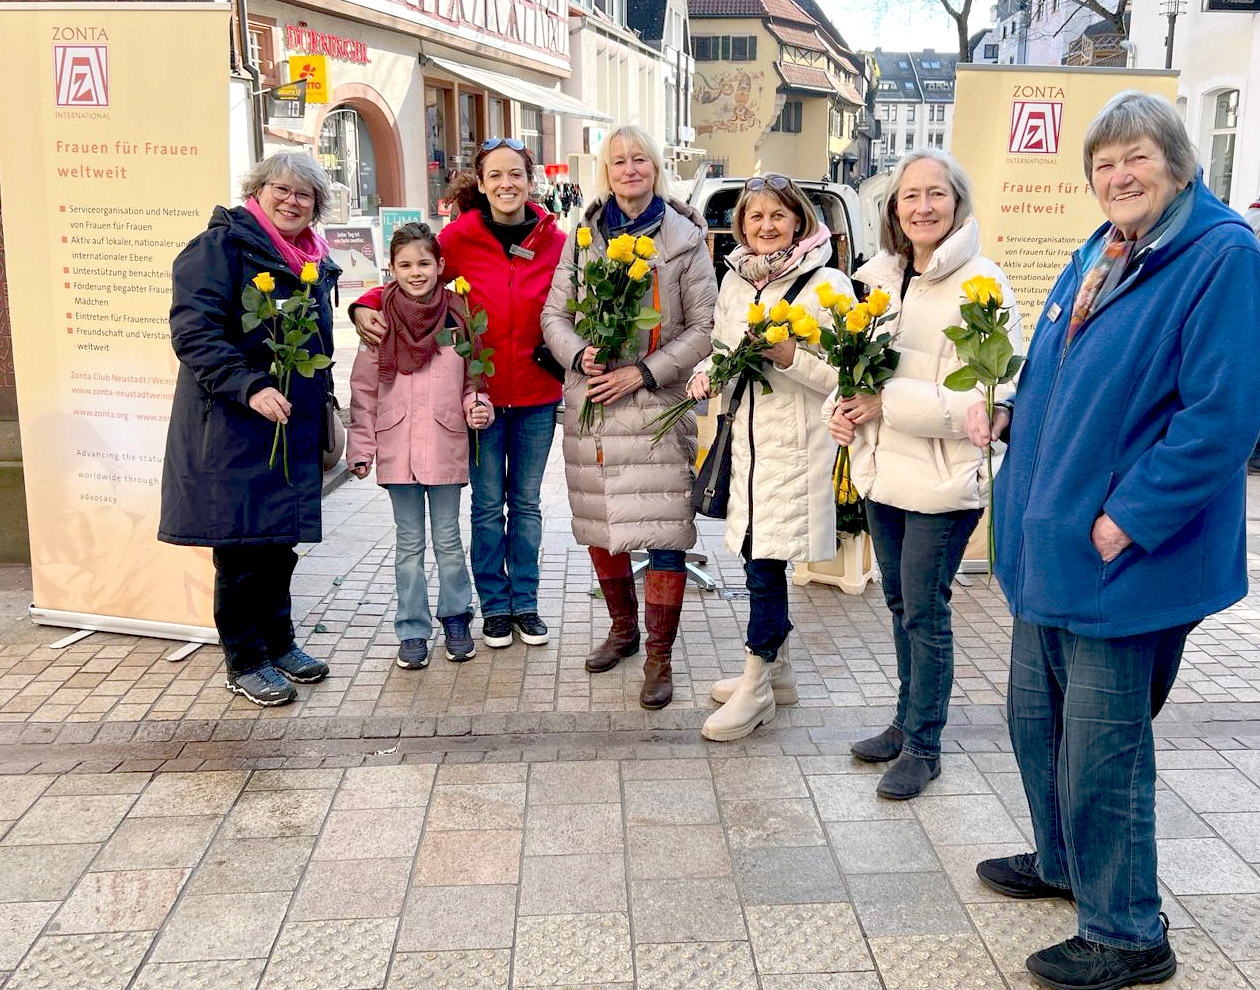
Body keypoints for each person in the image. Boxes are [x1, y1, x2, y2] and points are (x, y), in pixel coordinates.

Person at [966, 91, 1260, 990]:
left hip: (1122, 557)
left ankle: (1129, 931)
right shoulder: (1103, 249)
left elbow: (1221, 420)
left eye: (1134, 158)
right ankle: (1062, 863)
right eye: (1103, 165)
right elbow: (1060, 371)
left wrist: (1122, 521)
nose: (1117, 177)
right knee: (1033, 722)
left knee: (1103, 747)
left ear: (1177, 163)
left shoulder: (1220, 256)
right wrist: (1012, 409)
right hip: (1047, 544)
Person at [828, 148, 1022, 799]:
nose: (922, 206)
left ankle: (925, 745)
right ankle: (906, 722)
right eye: (910, 195)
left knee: (923, 612)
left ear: (958, 201)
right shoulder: (877, 275)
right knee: (900, 602)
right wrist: (844, 410)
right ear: (893, 207)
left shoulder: (982, 284)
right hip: (884, 472)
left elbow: (988, 401)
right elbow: (851, 366)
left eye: (935, 193)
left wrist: (887, 404)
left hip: (943, 480)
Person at [353, 139, 566, 650]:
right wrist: (361, 306)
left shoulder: (555, 241)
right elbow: (412, 277)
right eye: (496, 175)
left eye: (516, 174)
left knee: (529, 504)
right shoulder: (460, 237)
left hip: (537, 391)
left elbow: (575, 299)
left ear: (530, 180)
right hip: (478, 396)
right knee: (488, 506)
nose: (507, 184)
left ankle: (526, 603)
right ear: (482, 182)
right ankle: (493, 606)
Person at [540, 125, 717, 709]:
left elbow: (703, 328)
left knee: (664, 528)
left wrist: (643, 372)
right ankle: (623, 630)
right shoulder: (583, 236)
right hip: (592, 400)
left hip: (654, 406)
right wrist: (577, 353)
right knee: (600, 521)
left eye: (640, 158)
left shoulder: (685, 239)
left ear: (656, 166)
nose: (629, 168)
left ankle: (661, 656)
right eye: (618, 161)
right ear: (605, 170)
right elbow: (554, 315)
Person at [159, 152, 340, 707]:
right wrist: (250, 385)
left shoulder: (313, 259)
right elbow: (193, 332)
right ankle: (245, 659)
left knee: (279, 544)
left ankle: (279, 642)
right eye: (280, 190)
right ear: (257, 191)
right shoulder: (219, 248)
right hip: (234, 426)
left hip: (289, 424)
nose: (291, 201)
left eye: (304, 195)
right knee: (240, 551)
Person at [688, 175, 849, 741]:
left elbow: (843, 375)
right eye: (754, 217)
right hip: (747, 449)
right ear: (741, 226)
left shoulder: (827, 285)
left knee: (765, 564)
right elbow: (724, 348)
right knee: (760, 557)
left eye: (777, 215)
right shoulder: (736, 283)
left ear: (800, 220)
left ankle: (757, 684)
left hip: (794, 450)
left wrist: (789, 356)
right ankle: (777, 673)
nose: (765, 226)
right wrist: (708, 372)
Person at [346, 223, 493, 669]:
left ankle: (455, 618)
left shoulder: (457, 316)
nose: (415, 272)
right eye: (405, 264)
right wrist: (360, 449)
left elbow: (473, 379)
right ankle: (412, 628)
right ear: (391, 269)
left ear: (441, 267)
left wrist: (477, 406)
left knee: (448, 541)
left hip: (445, 444)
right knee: (409, 546)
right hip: (397, 450)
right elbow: (364, 391)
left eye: (424, 263)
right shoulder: (378, 321)